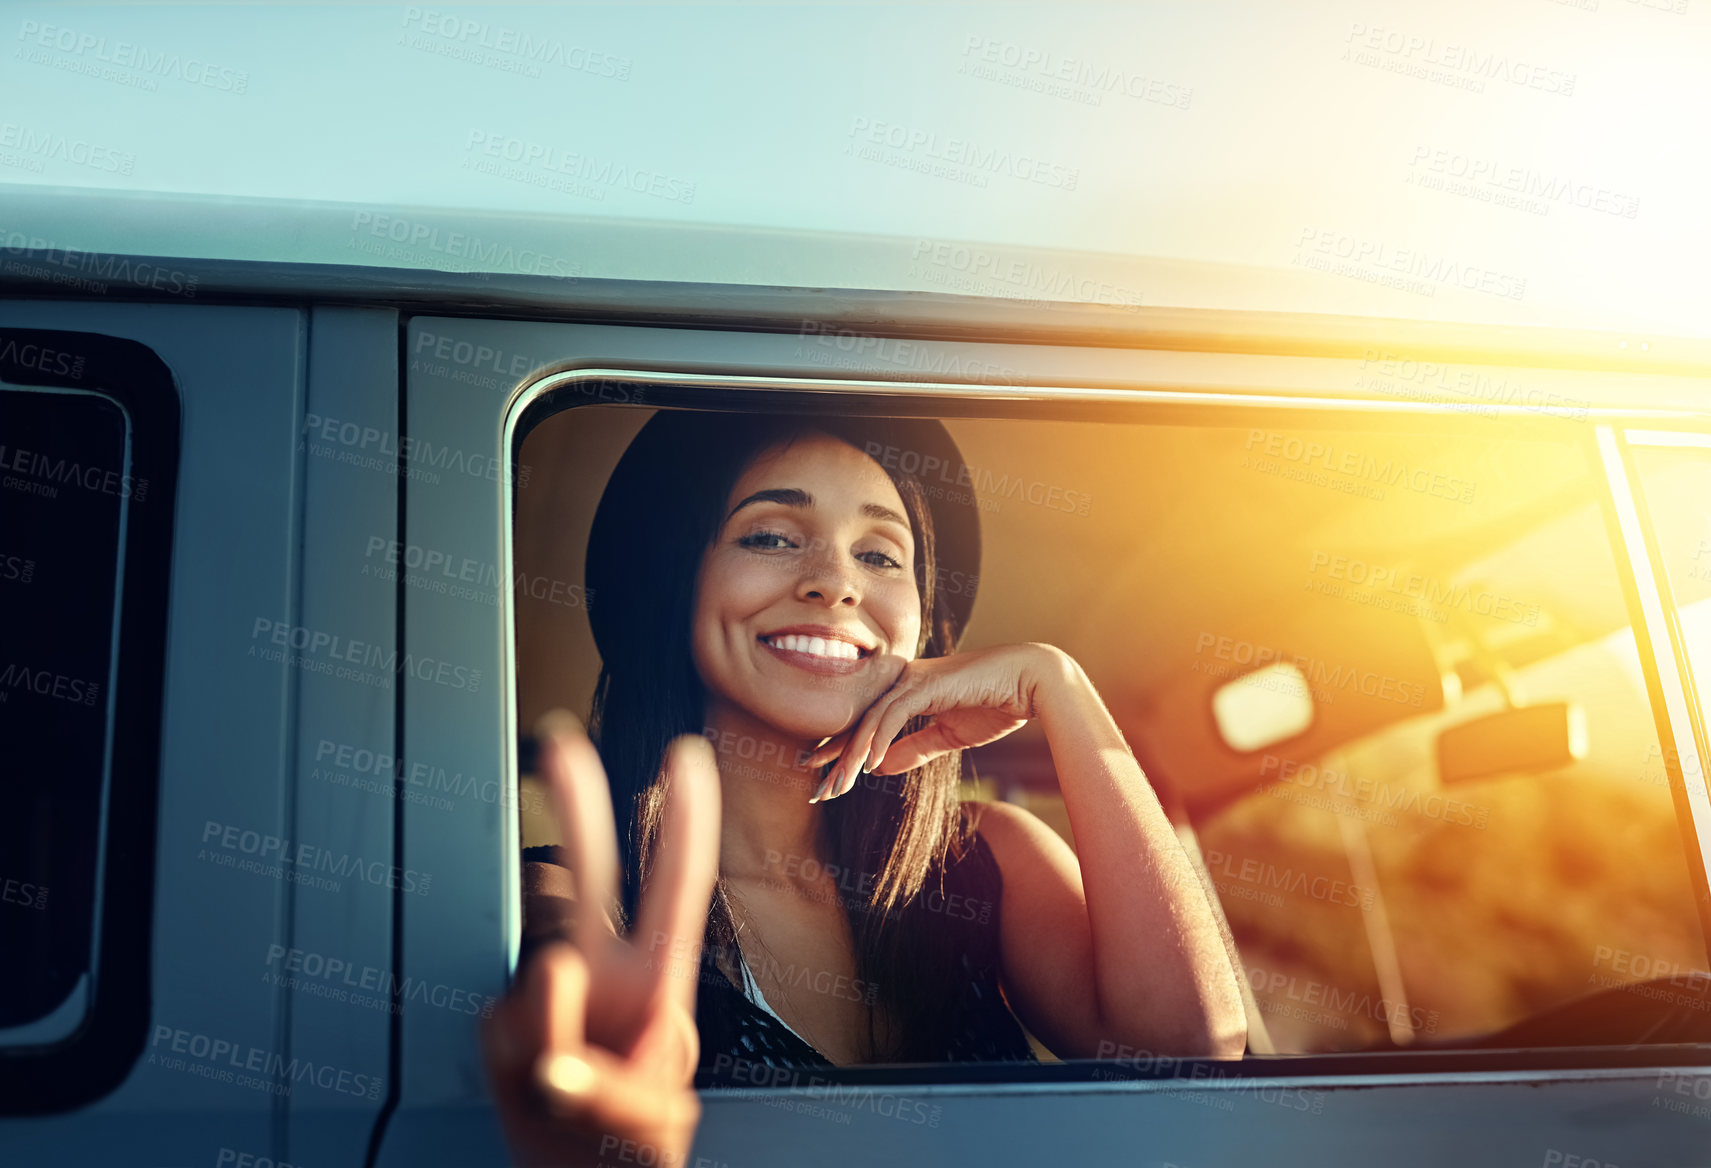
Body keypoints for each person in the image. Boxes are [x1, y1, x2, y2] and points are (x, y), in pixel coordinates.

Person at [483, 411, 1246, 1167]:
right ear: (676, 581)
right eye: (770, 536)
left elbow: (1190, 1057)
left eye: (880, 555)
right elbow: (570, 1006)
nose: (835, 584)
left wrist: (1058, 682)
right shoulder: (569, 894)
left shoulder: (989, 859)